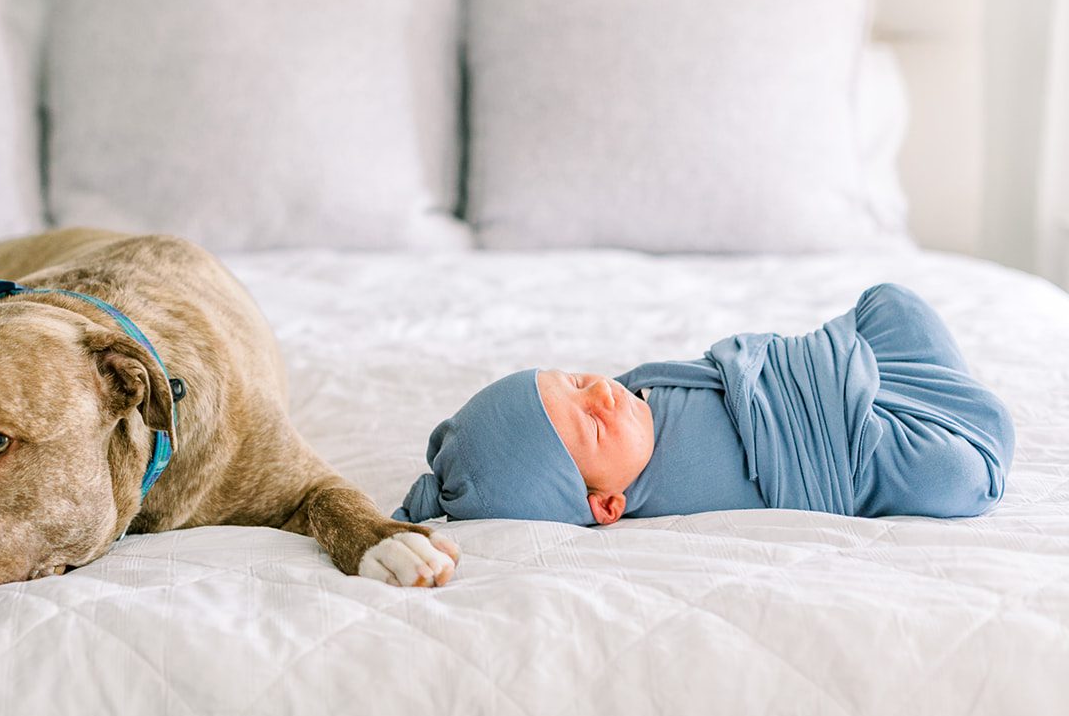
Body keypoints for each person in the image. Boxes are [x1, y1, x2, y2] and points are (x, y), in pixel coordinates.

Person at [394, 284, 1015, 526]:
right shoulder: (658, 502)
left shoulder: (638, 390)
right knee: (956, 478)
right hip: (842, 461)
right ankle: (922, 406)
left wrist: (799, 372)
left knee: (890, 303)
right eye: (590, 421)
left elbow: (740, 365)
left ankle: (892, 390)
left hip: (808, 385)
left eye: (580, 380)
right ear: (605, 505)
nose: (602, 394)